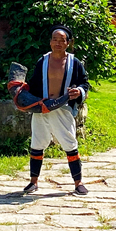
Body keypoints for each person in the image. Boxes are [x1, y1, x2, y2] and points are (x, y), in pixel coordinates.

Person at [23, 25, 90, 196]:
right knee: (37, 143)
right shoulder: (42, 61)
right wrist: (24, 94)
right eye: (55, 39)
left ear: (68, 43)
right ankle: (33, 182)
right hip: (42, 107)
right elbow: (34, 83)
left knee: (69, 143)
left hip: (62, 107)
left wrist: (79, 92)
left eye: (62, 40)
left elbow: (84, 83)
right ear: (50, 42)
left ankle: (78, 182)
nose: (58, 43)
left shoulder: (75, 63)